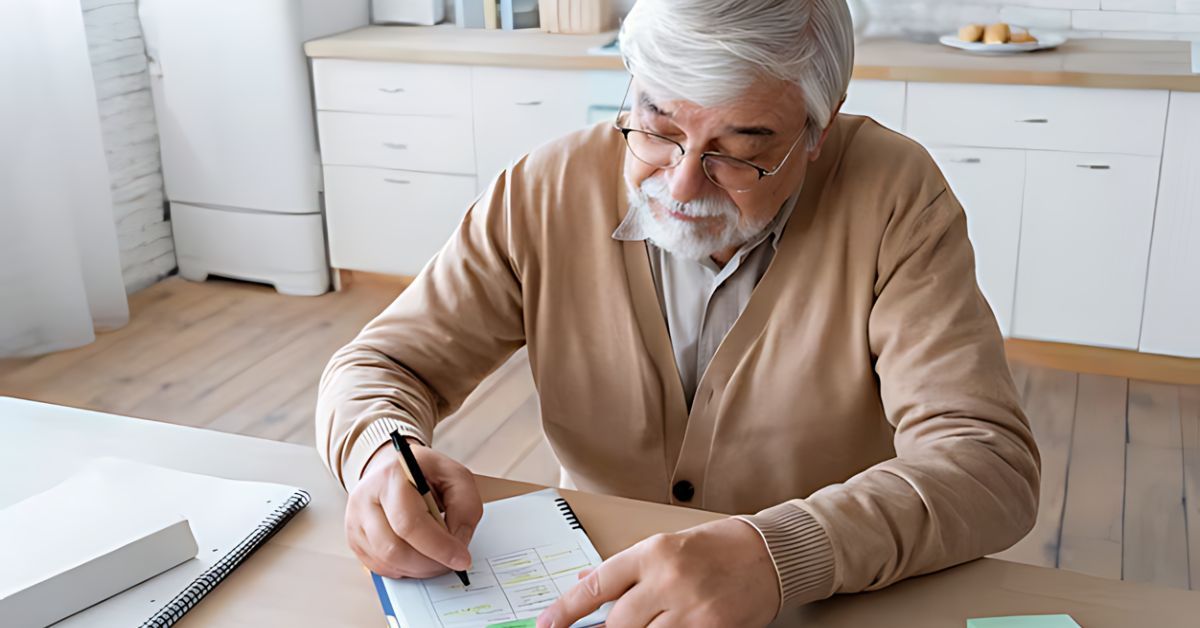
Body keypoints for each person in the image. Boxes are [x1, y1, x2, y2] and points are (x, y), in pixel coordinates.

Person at [315, 0, 1041, 626]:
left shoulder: (894, 196)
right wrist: (380, 453)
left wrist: (779, 554)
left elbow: (988, 463)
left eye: (741, 151)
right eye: (658, 126)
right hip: (596, 590)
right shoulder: (544, 189)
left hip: (822, 598)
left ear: (818, 132)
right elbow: (381, 365)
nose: (683, 181)